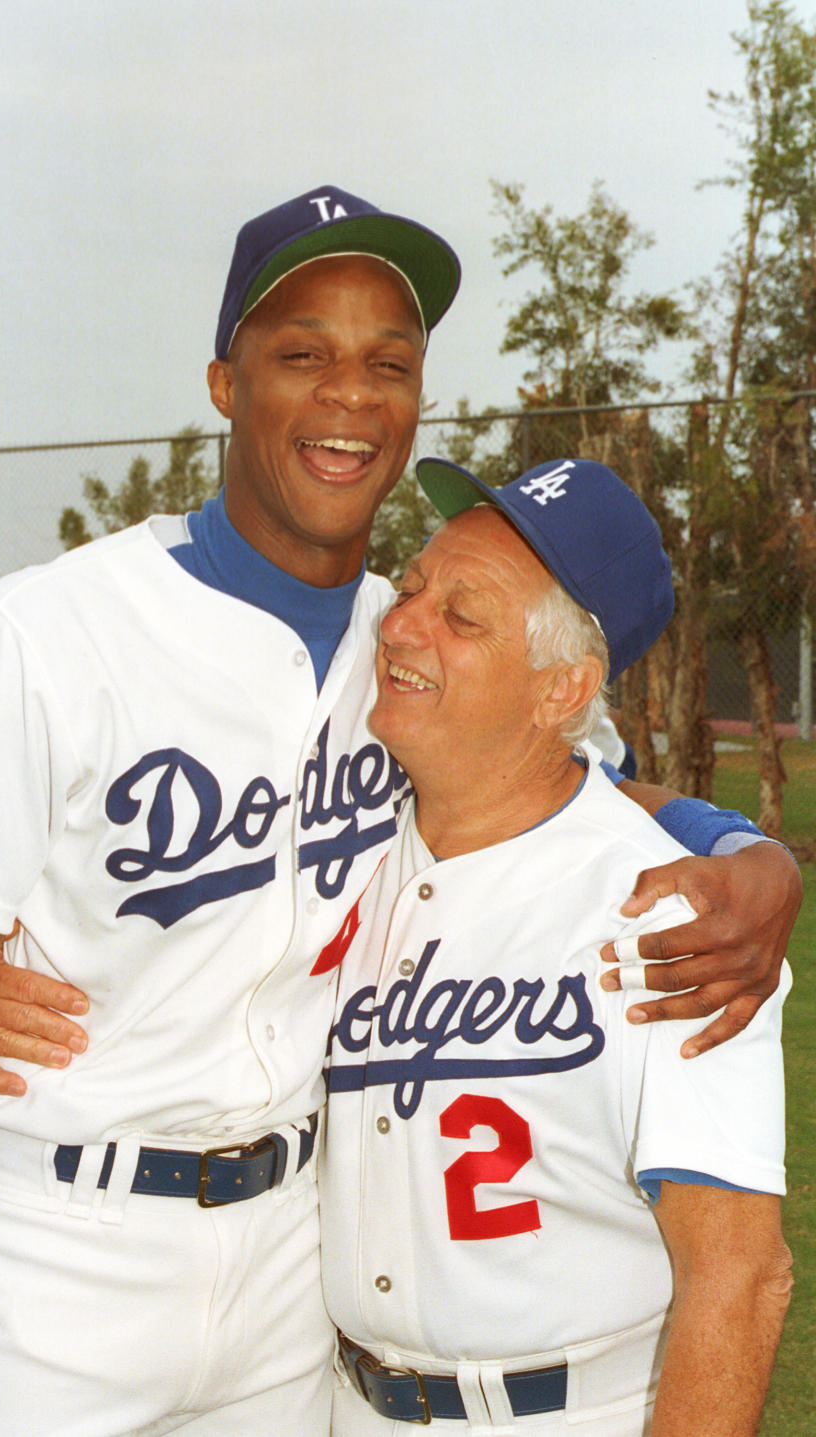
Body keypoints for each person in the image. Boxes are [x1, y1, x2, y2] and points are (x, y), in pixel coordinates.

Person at [0, 187, 798, 1437]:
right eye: (301, 353)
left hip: (296, 1283)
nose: (350, 394)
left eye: (388, 364)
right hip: (48, 1252)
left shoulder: (402, 656)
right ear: (224, 381)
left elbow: (583, 792)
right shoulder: (40, 636)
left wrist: (751, 854)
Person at [321, 457, 793, 1436]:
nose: (401, 624)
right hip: (343, 1406)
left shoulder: (671, 916)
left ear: (561, 688)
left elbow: (740, 1278)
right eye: (411, 588)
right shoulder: (339, 857)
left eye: (463, 616)